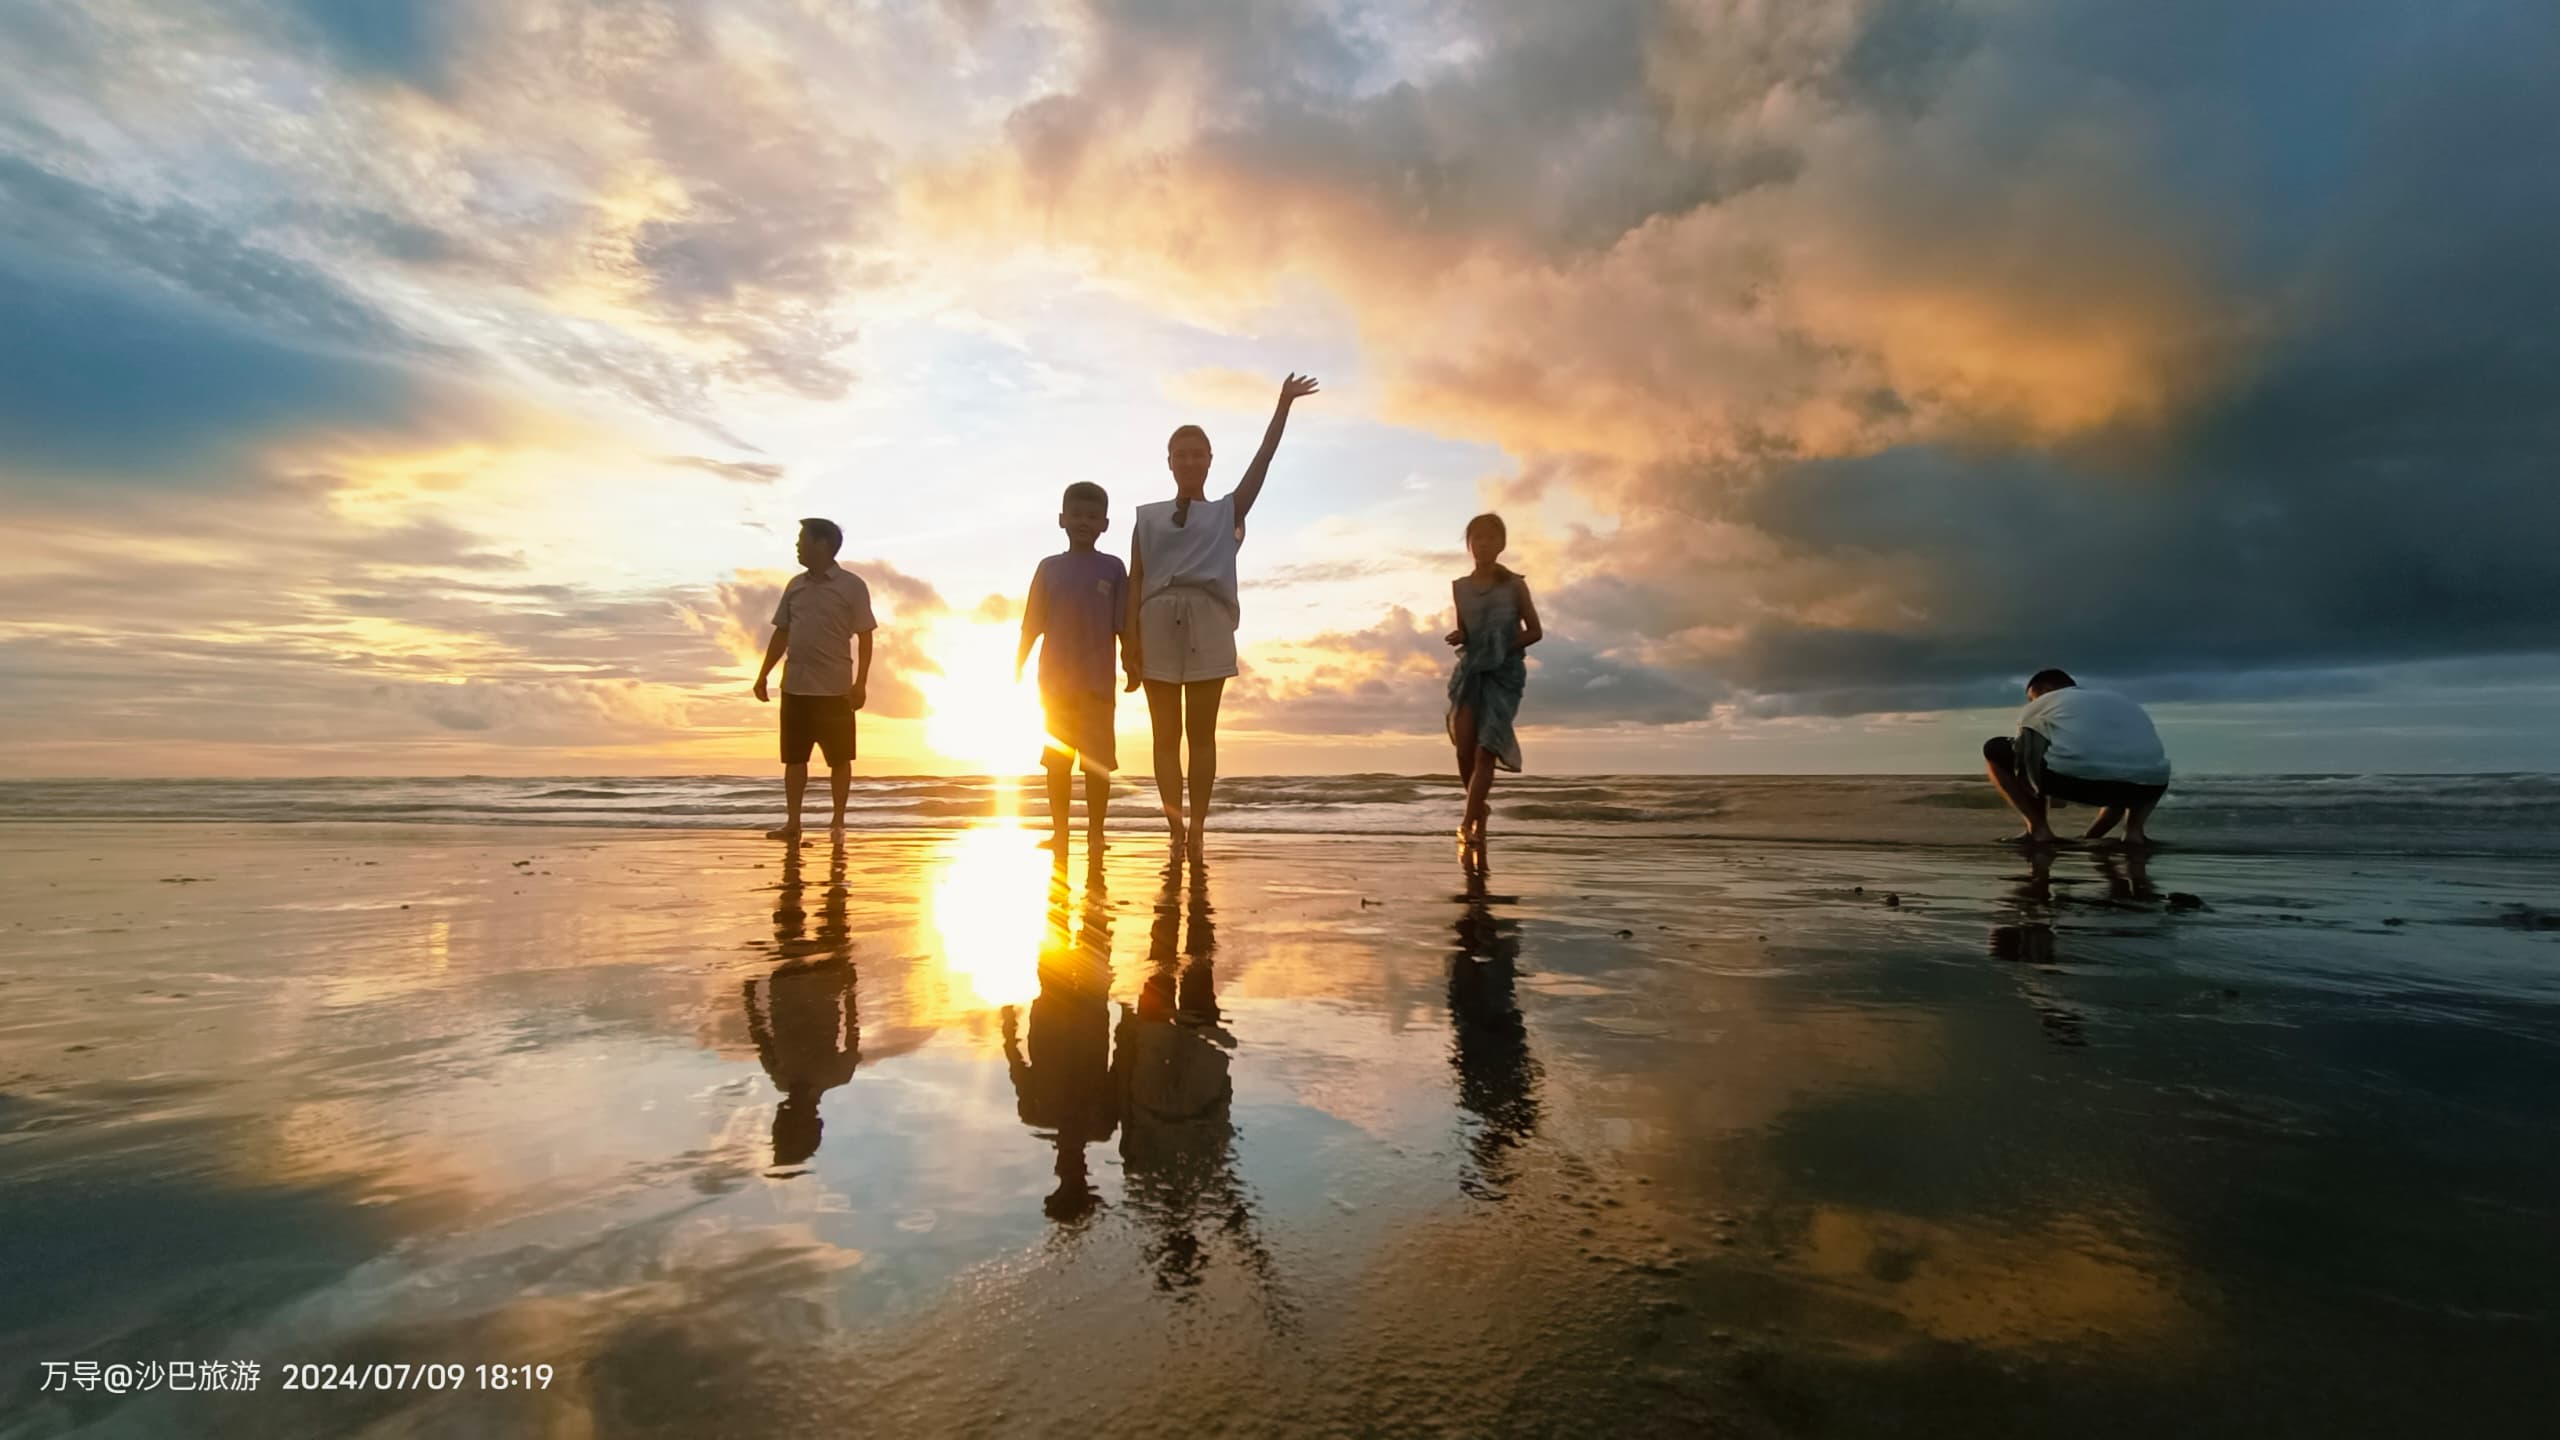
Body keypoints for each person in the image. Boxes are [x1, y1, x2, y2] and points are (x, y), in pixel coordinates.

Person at [1126, 372, 1320, 868]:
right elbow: (1135, 580)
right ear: (1169, 462)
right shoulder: (1146, 517)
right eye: (1181, 454)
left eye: (1198, 453)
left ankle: (1197, 829)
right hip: (1156, 621)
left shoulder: (1228, 510)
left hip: (1209, 621)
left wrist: (1283, 406)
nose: (1189, 461)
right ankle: (1174, 826)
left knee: (1203, 733)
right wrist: (1129, 644)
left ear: (1209, 461)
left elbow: (1264, 461)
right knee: (1164, 735)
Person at [1017, 482, 1129, 870]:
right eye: (1077, 515)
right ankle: (1060, 831)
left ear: (1105, 524)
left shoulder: (1113, 568)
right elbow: (1031, 623)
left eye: (1092, 516)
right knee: (1057, 762)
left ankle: (1096, 832)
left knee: (1097, 764)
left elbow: (1124, 624)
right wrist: (1018, 663)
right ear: (1062, 519)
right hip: (1055, 686)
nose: (1084, 522)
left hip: (1098, 684)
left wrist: (1133, 662)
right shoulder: (1049, 568)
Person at [753, 518, 876, 843]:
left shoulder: (852, 586)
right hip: (795, 686)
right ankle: (793, 823)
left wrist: (860, 683)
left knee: (840, 759)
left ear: (821, 544)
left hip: (835, 688)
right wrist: (764, 674)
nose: (797, 545)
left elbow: (865, 635)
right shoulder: (795, 585)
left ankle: (837, 823)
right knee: (794, 759)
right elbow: (783, 631)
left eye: (801, 540)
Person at [1982, 668, 2171, 847]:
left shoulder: (2044, 702)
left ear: (2045, 690)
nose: (2032, 703)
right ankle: (2133, 833)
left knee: (1995, 748)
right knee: (2133, 768)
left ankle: (2038, 831)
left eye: (2032, 698)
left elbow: (2027, 753)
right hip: (2148, 788)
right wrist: (2089, 839)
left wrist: (2035, 789)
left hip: (2079, 783)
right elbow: (2118, 772)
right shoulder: (2119, 700)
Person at [1444, 514, 1542, 859]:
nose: (1483, 544)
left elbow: (1535, 631)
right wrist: (1460, 636)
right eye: (1477, 538)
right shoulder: (1459, 587)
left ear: (1501, 544)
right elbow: (1466, 632)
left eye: (1490, 538)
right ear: (1469, 544)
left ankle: (1467, 823)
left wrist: (1503, 647)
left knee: (1487, 748)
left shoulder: (1515, 585)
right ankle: (1480, 812)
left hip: (1504, 674)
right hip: (1471, 673)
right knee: (1464, 749)